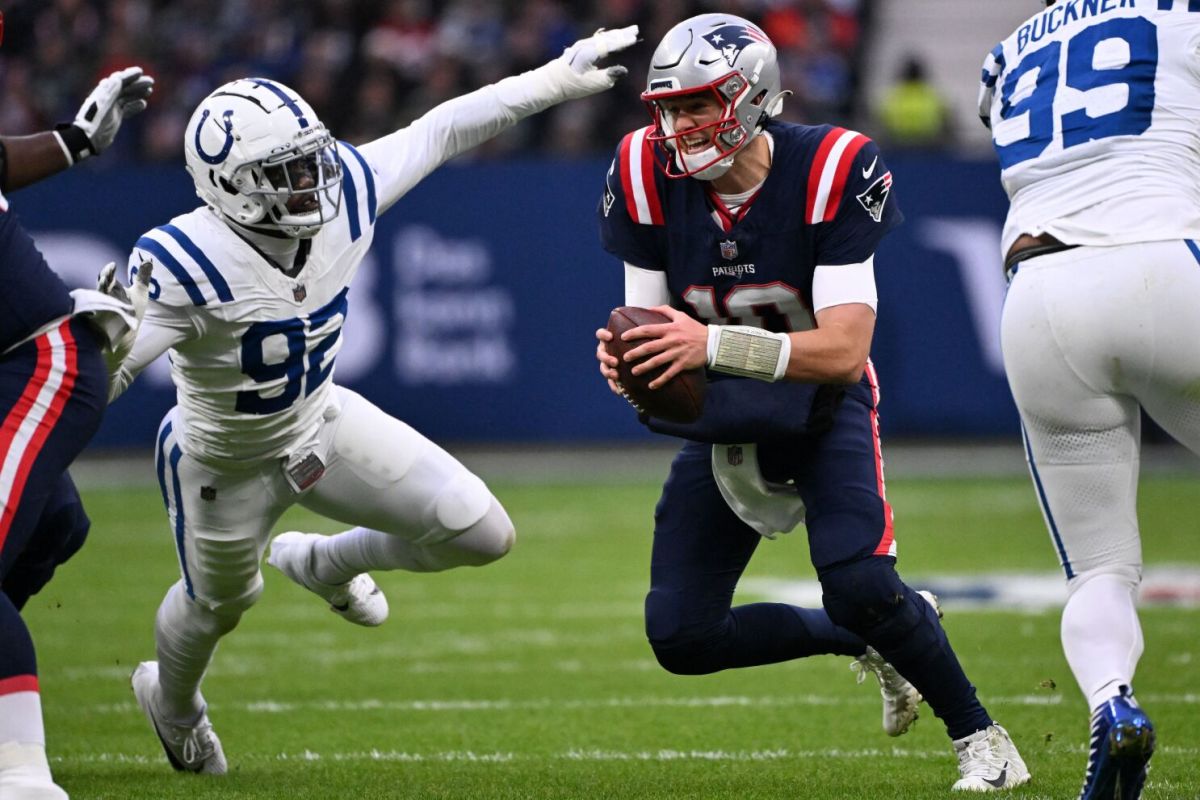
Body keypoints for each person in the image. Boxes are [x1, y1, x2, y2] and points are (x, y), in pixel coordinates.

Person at [113, 27, 638, 775]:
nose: (310, 180)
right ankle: (173, 703)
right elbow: (101, 375)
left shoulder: (345, 191)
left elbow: (445, 126)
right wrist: (101, 346)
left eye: (307, 159)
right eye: (283, 171)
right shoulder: (182, 262)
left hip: (321, 420)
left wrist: (557, 76)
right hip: (220, 461)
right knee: (217, 607)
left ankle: (325, 563)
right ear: (229, 187)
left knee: (481, 532)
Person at [593, 14, 1029, 791]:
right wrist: (631, 361)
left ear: (752, 97)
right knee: (682, 636)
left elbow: (843, 350)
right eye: (669, 107)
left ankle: (985, 741)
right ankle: (859, 640)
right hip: (729, 422)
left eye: (698, 105)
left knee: (861, 583)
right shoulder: (641, 170)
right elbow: (653, 334)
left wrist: (709, 347)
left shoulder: (830, 163)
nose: (678, 125)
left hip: (822, 407)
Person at [978, 2, 1198, 798]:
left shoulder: (1008, 51)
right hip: (1164, 259)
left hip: (1038, 293)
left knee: (1099, 567)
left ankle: (1114, 702)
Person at [0, 65, 154, 799]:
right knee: (54, 523)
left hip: (34, 361)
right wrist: (72, 141)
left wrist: (72, 142)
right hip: (27, 355)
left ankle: (20, 773)